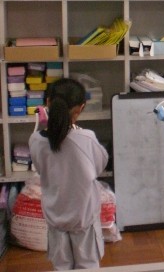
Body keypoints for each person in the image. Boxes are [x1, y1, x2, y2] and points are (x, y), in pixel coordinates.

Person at [29, 78, 109, 270]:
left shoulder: (35, 140)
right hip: (83, 218)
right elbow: (100, 164)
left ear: (48, 102)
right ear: (81, 108)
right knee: (88, 265)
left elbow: (40, 168)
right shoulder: (86, 138)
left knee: (61, 266)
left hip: (55, 216)